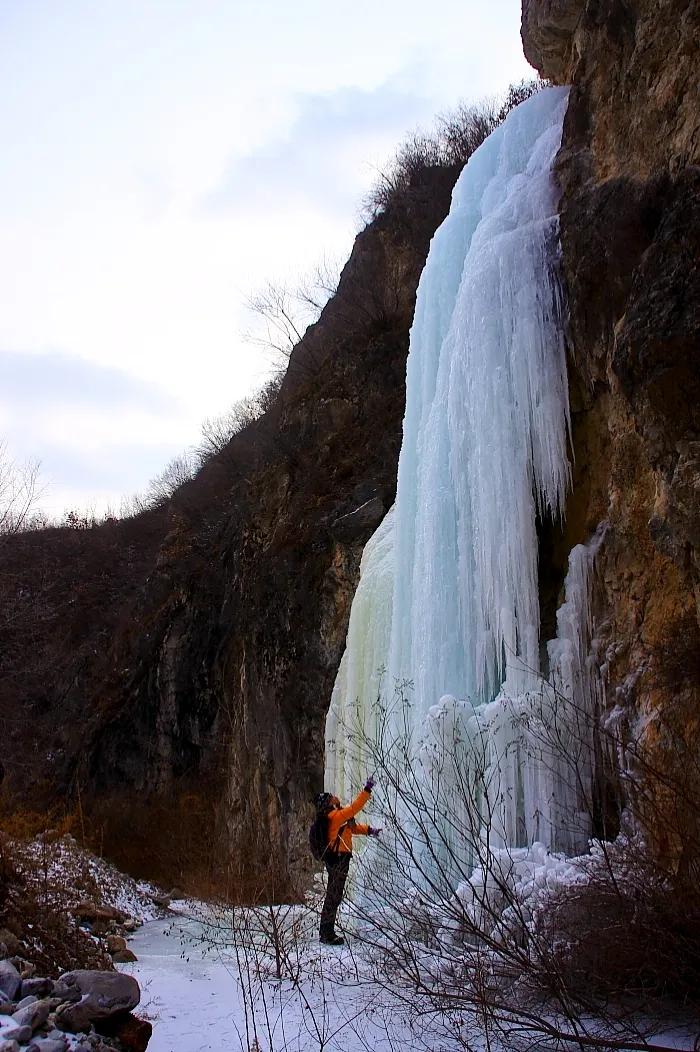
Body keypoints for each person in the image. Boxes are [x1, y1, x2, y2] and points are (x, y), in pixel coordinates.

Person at [317, 775, 381, 945]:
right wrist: (367, 789)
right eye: (331, 797)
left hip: (338, 858)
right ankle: (326, 933)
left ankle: (326, 931)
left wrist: (369, 830)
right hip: (339, 859)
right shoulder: (335, 816)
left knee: (334, 894)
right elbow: (355, 807)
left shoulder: (337, 817)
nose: (334, 796)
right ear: (328, 803)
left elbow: (350, 829)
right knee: (334, 895)